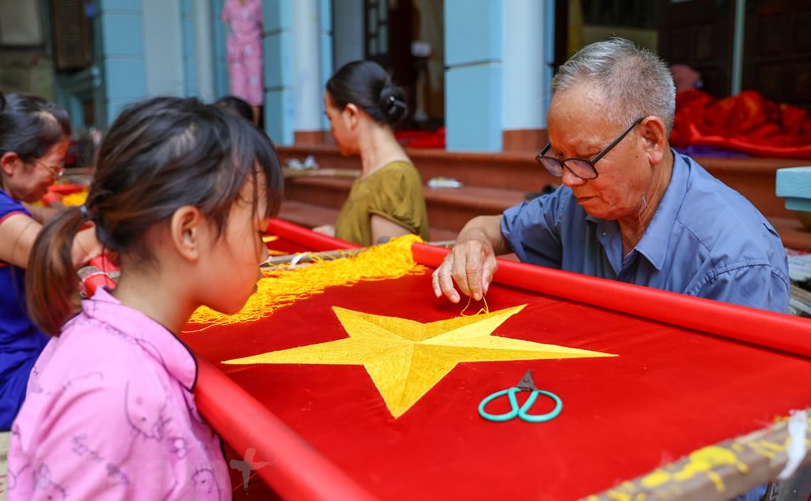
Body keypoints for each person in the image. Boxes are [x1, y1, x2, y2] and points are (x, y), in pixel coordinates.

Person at [8, 98, 283, 501]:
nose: (266, 254)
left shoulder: (112, 352)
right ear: (188, 232)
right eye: (259, 232)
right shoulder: (114, 398)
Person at [432, 37, 789, 313]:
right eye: (560, 158)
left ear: (651, 140)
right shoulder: (574, 206)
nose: (568, 180)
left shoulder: (734, 261)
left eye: (586, 158)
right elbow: (492, 227)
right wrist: (472, 243)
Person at [0, 89, 99, 432]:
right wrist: (124, 226)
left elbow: (44, 216)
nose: (56, 178)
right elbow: (56, 258)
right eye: (54, 167)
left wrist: (84, 212)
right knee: (118, 361)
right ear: (11, 163)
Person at [316, 60, 430, 246]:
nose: (331, 129)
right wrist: (336, 233)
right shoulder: (376, 172)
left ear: (351, 115)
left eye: (330, 118)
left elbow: (387, 262)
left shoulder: (393, 179)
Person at [221, 0, 263, 126]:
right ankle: (241, 131)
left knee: (254, 94)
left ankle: (255, 131)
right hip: (236, 54)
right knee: (238, 94)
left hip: (253, 52)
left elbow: (261, 24)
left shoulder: (257, 2)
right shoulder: (229, 3)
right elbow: (227, 20)